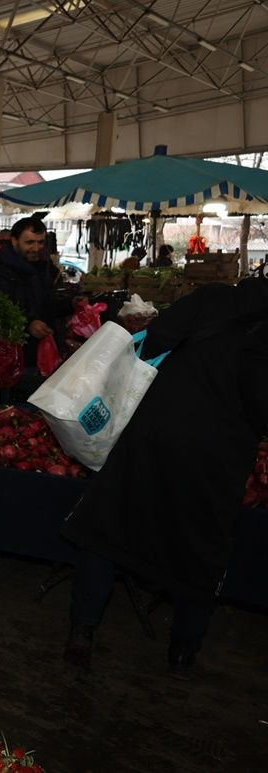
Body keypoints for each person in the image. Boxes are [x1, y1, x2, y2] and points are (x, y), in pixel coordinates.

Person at [62, 276, 268, 673]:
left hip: (156, 433)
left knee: (109, 530)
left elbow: (156, 341)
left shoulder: (215, 297)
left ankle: (82, 631)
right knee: (200, 547)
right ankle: (183, 649)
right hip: (217, 458)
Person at [0, 217, 74, 386]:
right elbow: (0, 309)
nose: (36, 248)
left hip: (42, 354)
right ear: (14, 241)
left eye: (40, 242)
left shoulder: (44, 267)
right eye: (30, 242)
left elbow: (48, 305)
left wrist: (71, 304)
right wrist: (29, 323)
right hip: (14, 357)